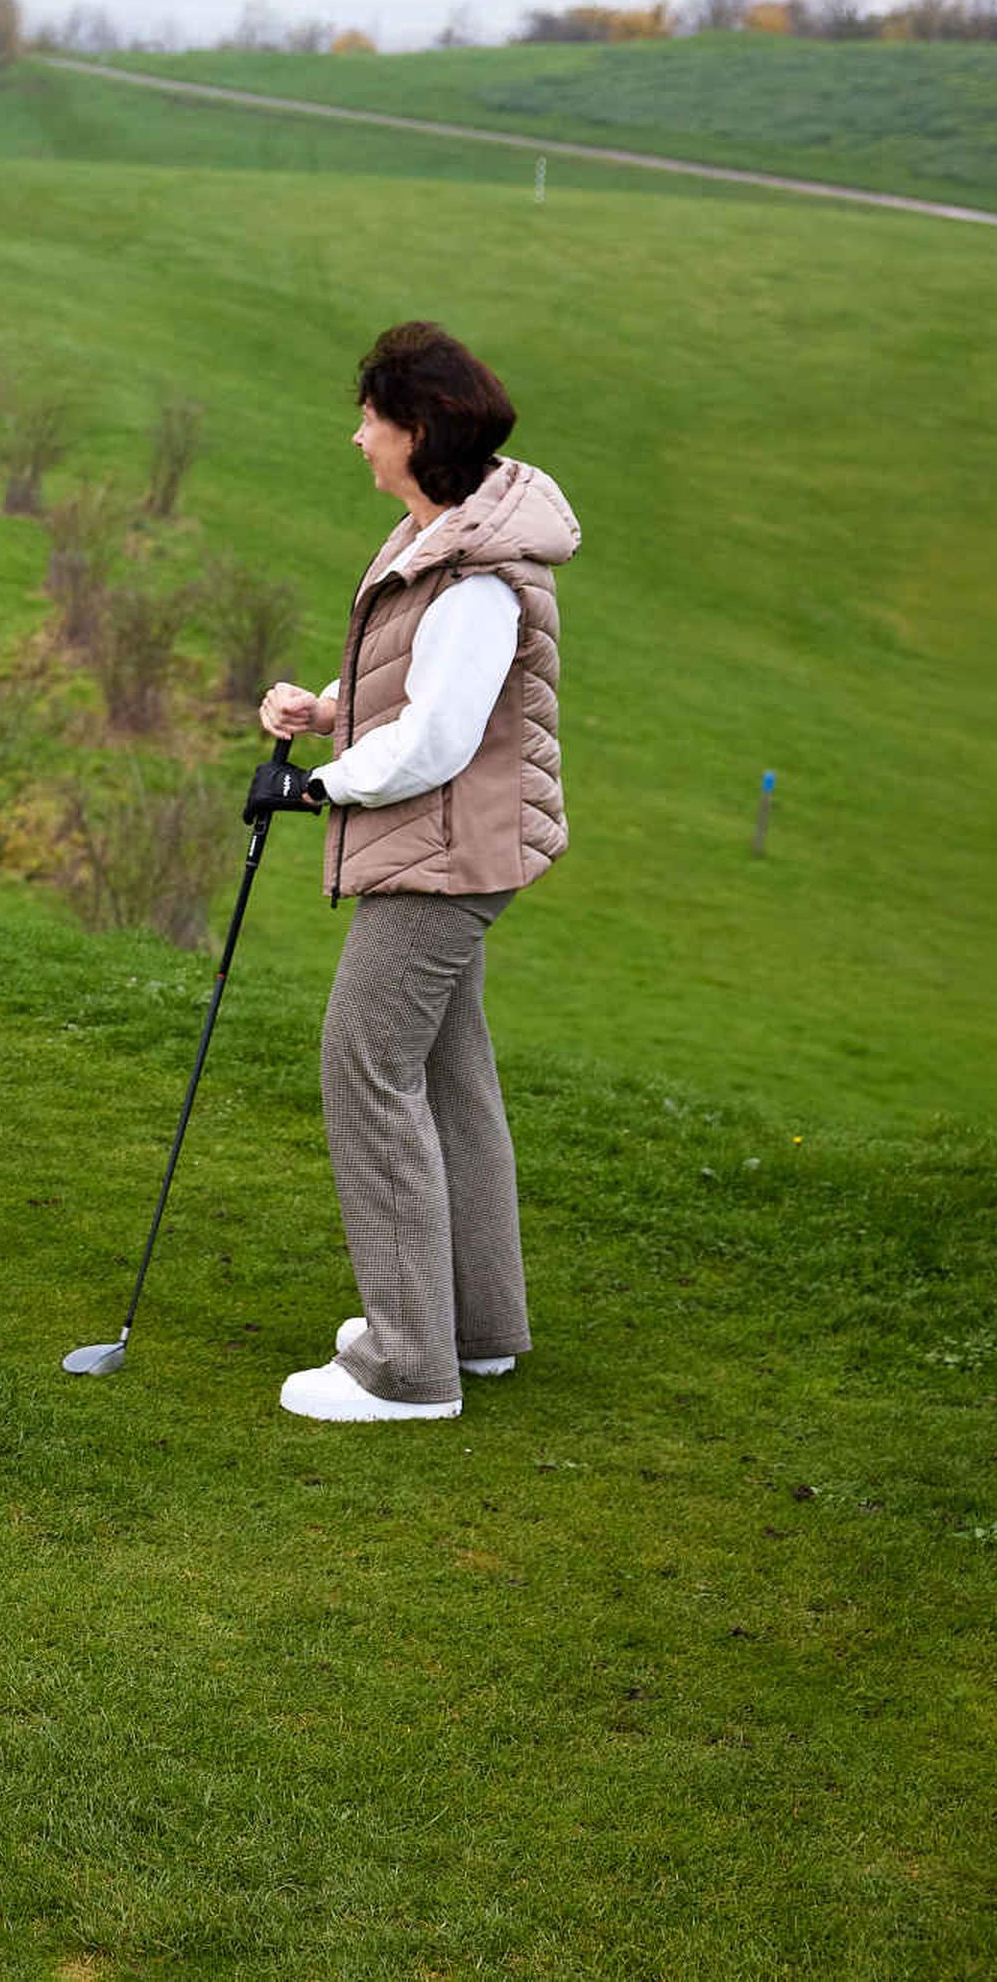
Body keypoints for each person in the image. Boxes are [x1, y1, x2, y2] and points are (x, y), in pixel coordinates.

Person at [251, 321, 580, 1424]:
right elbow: (424, 690)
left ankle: (406, 1368)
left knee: (366, 1069)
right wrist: (328, 710)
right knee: (447, 1076)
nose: (358, 439)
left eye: (371, 420)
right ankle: (474, 1329)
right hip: (446, 848)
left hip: (445, 858)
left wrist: (318, 786)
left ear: (419, 431)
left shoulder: (476, 577)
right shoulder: (438, 538)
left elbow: (439, 740)